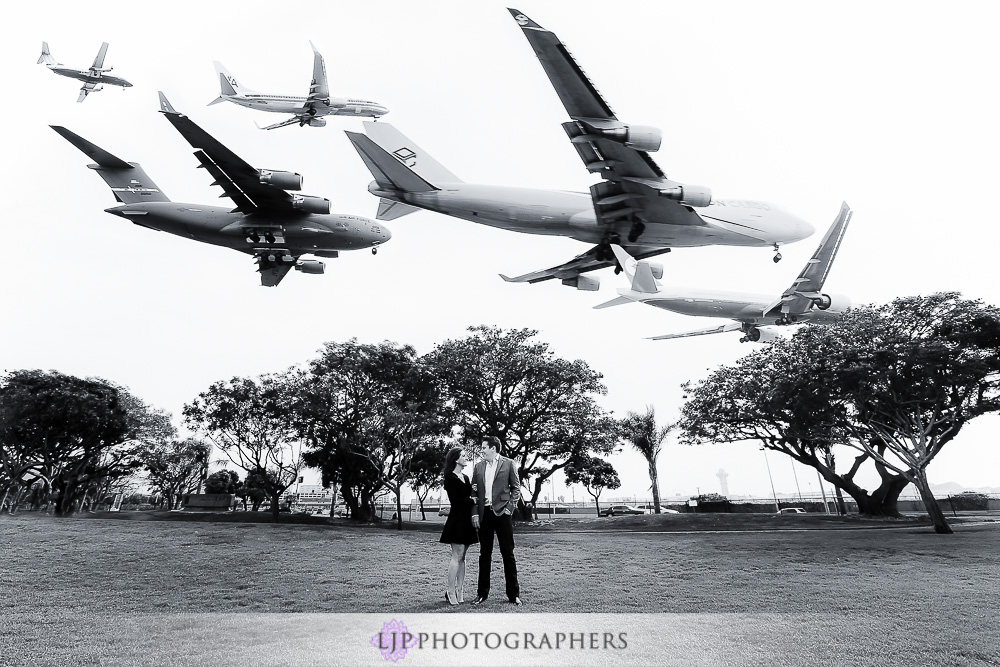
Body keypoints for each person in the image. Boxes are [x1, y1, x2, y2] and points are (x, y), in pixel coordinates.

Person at [471, 437, 522, 606]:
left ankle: (513, 595)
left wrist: (509, 509)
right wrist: (475, 514)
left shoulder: (508, 463)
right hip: (484, 514)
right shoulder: (478, 467)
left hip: (503, 514)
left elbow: (516, 488)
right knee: (484, 554)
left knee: (508, 553)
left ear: (493, 449)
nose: (482, 450)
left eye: (484, 447)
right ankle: (482, 594)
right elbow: (473, 493)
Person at [439, 447, 477, 605]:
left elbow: (469, 494)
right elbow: (457, 501)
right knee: (457, 555)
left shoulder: (466, 477)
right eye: (463, 456)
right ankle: (450, 590)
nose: (465, 457)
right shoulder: (450, 477)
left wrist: (474, 491)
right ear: (456, 459)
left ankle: (460, 590)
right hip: (456, 520)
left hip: (467, 521)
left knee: (463, 557)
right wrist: (472, 501)